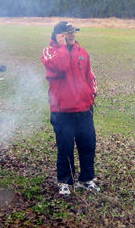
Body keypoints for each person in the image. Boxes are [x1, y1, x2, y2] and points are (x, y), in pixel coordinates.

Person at [41, 21, 100, 196]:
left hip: (84, 110)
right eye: (69, 33)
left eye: (74, 32)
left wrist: (91, 96)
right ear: (59, 35)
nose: (73, 35)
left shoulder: (82, 52)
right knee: (65, 147)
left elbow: (90, 76)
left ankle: (86, 179)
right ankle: (65, 182)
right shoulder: (50, 52)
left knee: (88, 145)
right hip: (62, 112)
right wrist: (62, 47)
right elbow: (61, 67)